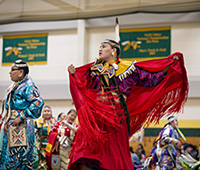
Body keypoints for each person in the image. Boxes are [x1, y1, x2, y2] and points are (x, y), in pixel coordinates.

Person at [68, 39, 188, 170]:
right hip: (97, 115)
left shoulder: (129, 69)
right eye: (100, 47)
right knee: (89, 151)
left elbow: (151, 79)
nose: (100, 49)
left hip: (116, 117)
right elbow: (85, 88)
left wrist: (169, 64)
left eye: (104, 46)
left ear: (113, 51)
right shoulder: (94, 70)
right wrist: (75, 74)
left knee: (114, 152)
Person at [0, 60, 44, 170]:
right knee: (8, 154)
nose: (9, 73)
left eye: (12, 70)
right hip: (12, 124)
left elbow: (38, 102)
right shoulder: (16, 85)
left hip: (21, 126)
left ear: (20, 72)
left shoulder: (28, 86)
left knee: (18, 156)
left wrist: (21, 116)